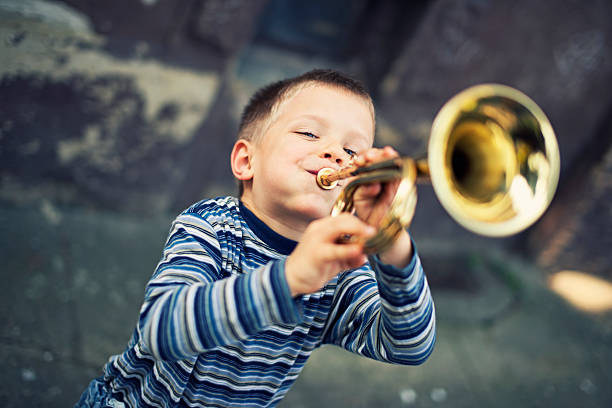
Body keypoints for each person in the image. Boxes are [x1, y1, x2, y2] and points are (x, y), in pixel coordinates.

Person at [76, 69, 436, 408]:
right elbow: (159, 329)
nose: (336, 154)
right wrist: (290, 278)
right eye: (309, 134)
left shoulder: (339, 268)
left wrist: (391, 241)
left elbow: (409, 346)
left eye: (353, 151)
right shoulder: (212, 226)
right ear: (246, 161)